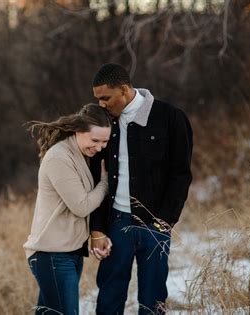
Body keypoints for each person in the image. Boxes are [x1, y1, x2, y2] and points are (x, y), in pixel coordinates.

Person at [89, 63, 193, 314]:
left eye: (106, 98)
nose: (101, 105)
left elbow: (180, 174)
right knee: (109, 298)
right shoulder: (103, 123)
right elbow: (96, 178)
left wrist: (165, 221)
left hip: (154, 226)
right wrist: (98, 227)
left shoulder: (169, 117)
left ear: (124, 89)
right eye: (98, 99)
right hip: (117, 224)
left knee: (153, 300)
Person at [23, 104, 113, 315]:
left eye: (105, 141)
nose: (100, 147)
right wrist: (105, 184)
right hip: (52, 255)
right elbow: (81, 206)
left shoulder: (80, 154)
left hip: (68, 253)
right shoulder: (59, 157)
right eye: (95, 140)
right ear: (78, 132)